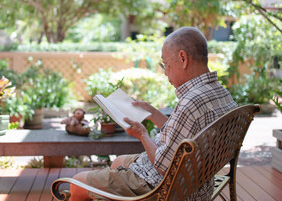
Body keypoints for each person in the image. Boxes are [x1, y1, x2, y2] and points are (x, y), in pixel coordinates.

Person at [69, 27, 238, 200]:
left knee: (77, 183)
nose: (165, 72)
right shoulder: (220, 93)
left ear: (183, 58)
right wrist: (153, 113)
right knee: (118, 162)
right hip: (198, 182)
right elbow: (182, 134)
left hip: (165, 188)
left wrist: (142, 134)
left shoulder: (190, 103)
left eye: (166, 64)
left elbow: (164, 167)